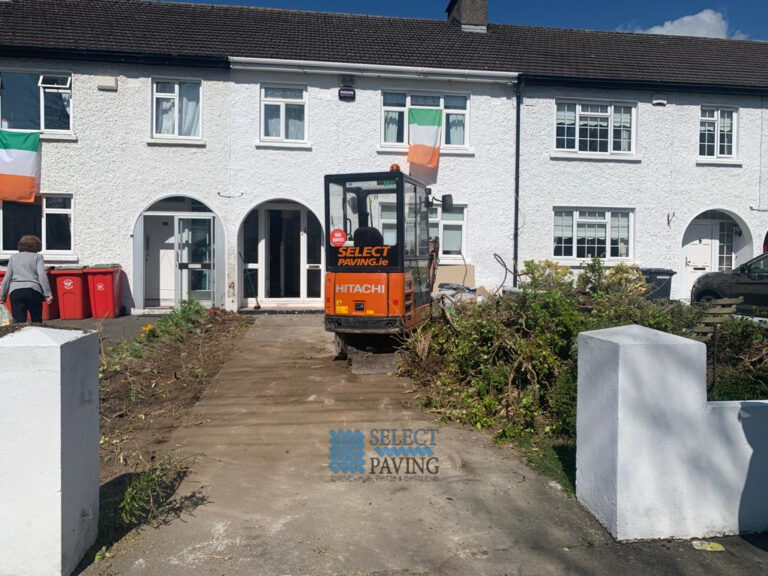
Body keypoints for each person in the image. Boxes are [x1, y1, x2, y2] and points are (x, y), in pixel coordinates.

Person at [0, 235, 53, 323]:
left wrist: (2, 296)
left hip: (16, 292)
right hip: (34, 291)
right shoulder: (37, 257)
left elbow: (7, 277)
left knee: (19, 324)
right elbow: (42, 276)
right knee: (37, 322)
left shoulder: (13, 257)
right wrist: (48, 294)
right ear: (37, 246)